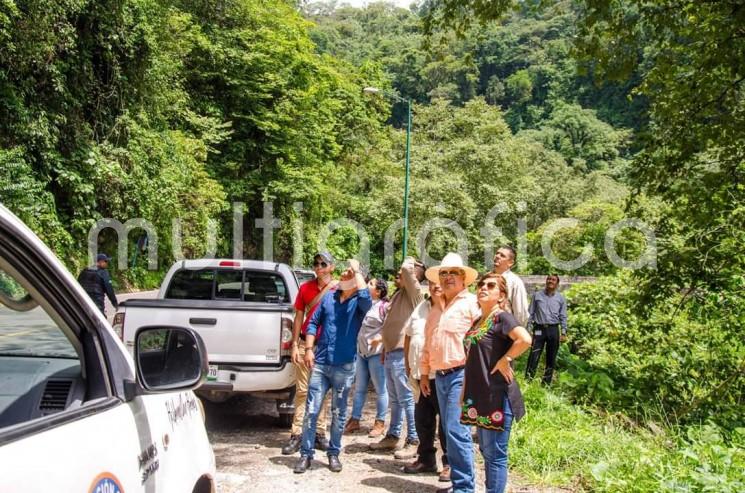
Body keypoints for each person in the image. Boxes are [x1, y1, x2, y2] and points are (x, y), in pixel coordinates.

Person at [294, 259, 371, 474]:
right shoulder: (329, 297)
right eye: (345, 273)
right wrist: (308, 348)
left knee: (338, 413)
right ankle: (306, 455)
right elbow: (312, 323)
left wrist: (357, 269)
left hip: (344, 367)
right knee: (311, 411)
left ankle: (334, 453)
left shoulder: (359, 303)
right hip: (320, 364)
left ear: (357, 281)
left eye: (349, 275)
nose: (344, 276)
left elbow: (367, 299)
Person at [461, 273, 532, 493]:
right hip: (480, 395)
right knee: (486, 451)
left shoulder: (502, 317)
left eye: (490, 286)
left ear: (501, 295)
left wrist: (506, 358)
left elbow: (525, 339)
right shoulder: (477, 321)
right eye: (481, 284)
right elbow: (472, 360)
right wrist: (464, 392)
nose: (483, 287)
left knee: (496, 454)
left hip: (497, 396)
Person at [420, 252, 480, 493]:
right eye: (443, 273)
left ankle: (465, 488)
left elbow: (485, 338)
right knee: (448, 431)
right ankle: (459, 483)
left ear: (463, 277)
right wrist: (425, 374)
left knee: (457, 432)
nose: (447, 277)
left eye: (452, 273)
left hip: (462, 374)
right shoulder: (435, 308)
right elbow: (427, 344)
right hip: (440, 376)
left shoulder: (472, 305)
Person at [370, 257, 425, 455]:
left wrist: (410, 260)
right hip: (392, 352)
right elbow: (390, 324)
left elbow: (406, 269)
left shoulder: (414, 293)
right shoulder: (399, 294)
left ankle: (413, 439)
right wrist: (385, 348)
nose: (397, 275)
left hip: (403, 354)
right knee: (395, 398)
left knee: (406, 398)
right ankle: (393, 436)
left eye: (401, 274)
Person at [283, 252, 336, 455]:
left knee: (322, 393)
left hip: (326, 348)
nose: (318, 267)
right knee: (303, 392)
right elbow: (298, 318)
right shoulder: (305, 288)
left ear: (331, 267)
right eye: (316, 263)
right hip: (307, 344)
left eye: (323, 263)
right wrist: (295, 345)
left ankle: (319, 433)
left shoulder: (338, 289)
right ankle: (297, 434)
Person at [401, 281, 450, 482]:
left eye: (439, 282)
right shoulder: (422, 306)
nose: (435, 286)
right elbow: (408, 335)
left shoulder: (452, 307)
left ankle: (449, 464)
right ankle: (426, 459)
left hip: (442, 374)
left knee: (447, 423)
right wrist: (407, 363)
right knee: (423, 419)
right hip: (419, 373)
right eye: (431, 283)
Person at [344, 278, 389, 437]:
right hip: (362, 353)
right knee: (360, 388)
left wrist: (381, 339)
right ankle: (355, 419)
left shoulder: (384, 307)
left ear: (378, 291)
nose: (367, 284)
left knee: (380, 389)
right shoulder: (365, 304)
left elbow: (391, 328)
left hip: (376, 354)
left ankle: (380, 422)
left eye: (371, 284)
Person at [525, 274, 568, 385]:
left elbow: (563, 316)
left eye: (553, 280)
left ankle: (546, 383)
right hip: (539, 329)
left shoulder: (561, 298)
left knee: (551, 356)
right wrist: (528, 330)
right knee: (534, 354)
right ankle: (528, 380)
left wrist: (563, 332)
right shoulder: (537, 295)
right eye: (549, 279)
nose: (550, 281)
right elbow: (531, 313)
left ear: (557, 284)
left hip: (553, 330)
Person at [492, 246, 529, 328]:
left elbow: (521, 312)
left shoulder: (515, 282)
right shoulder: (487, 278)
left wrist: (516, 333)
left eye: (502, 255)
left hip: (504, 331)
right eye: (497, 253)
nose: (497, 256)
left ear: (510, 263)